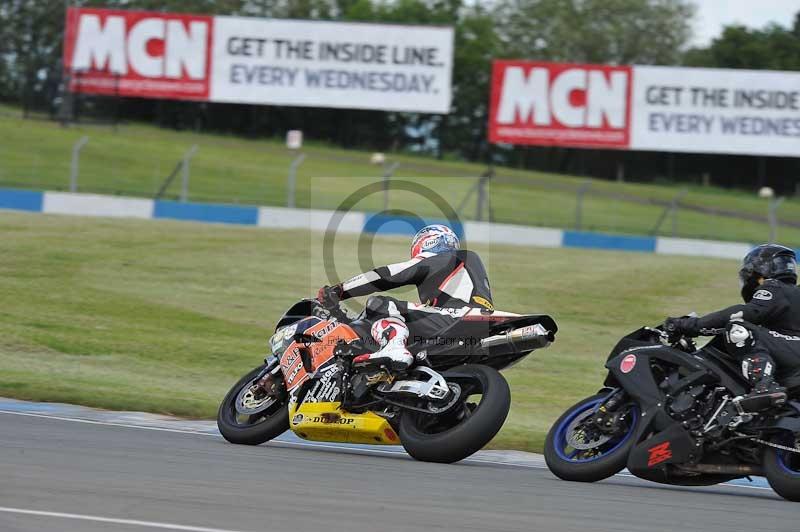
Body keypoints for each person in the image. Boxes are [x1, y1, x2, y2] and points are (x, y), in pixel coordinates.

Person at [316, 224, 494, 371]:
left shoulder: (445, 258)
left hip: (457, 317)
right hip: (468, 327)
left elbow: (387, 276)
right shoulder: (460, 267)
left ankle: (395, 348)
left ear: (427, 242)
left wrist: (340, 290)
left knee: (380, 304)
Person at [666, 244, 800, 411]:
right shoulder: (792, 295)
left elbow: (747, 313)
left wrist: (690, 325)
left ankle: (765, 385)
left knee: (738, 327)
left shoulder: (774, 287)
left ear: (757, 272)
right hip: (791, 358)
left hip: (793, 353)